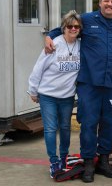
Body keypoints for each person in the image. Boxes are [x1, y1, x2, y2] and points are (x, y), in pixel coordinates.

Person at [44, 0, 112, 183]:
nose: (110, 4)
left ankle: (104, 161)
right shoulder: (87, 20)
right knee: (88, 124)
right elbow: (64, 27)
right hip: (89, 84)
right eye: (106, 1)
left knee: (109, 124)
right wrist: (49, 36)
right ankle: (89, 162)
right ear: (100, 3)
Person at [28, 10, 82, 178]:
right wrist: (33, 90)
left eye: (76, 26)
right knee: (51, 129)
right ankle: (53, 162)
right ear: (63, 28)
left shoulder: (81, 45)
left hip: (67, 97)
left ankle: (64, 159)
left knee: (65, 128)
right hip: (48, 96)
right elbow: (38, 68)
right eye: (70, 26)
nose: (73, 29)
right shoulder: (53, 45)